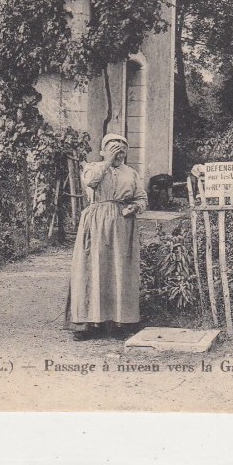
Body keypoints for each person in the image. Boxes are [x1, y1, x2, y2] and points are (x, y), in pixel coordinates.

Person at [65, 133, 148, 340]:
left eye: (122, 149)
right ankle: (91, 324)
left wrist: (135, 207)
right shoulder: (93, 168)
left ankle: (120, 323)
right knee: (93, 269)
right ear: (102, 151)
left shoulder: (131, 173)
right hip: (95, 223)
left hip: (122, 224)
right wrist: (107, 162)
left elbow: (142, 197)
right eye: (113, 148)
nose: (118, 152)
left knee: (120, 271)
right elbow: (91, 183)